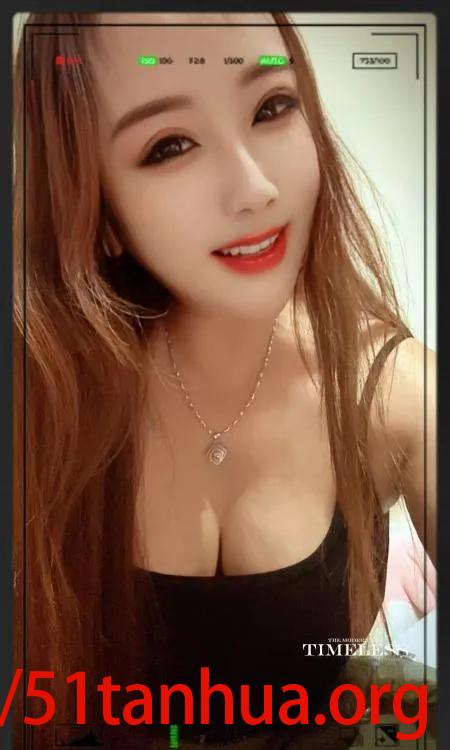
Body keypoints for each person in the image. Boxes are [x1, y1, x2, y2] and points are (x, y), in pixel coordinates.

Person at [12, 11, 436, 749]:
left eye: (272, 107)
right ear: (96, 207)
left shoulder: (390, 389)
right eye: (169, 145)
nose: (256, 188)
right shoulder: (42, 393)